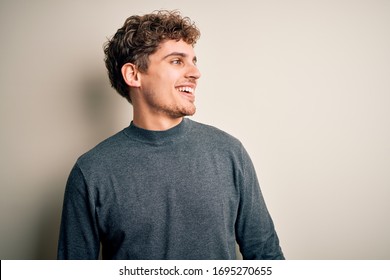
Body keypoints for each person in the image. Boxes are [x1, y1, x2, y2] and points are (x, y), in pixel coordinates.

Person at [57, 10, 284, 260]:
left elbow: (267, 258)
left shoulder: (230, 153)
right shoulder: (91, 172)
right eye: (177, 61)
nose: (195, 73)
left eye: (193, 61)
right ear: (133, 75)